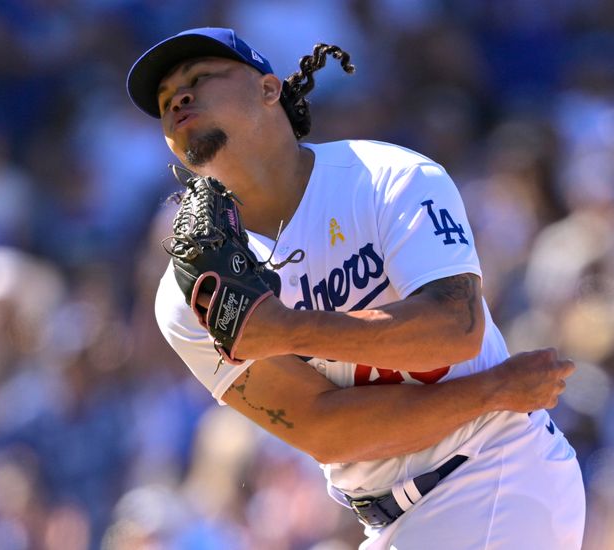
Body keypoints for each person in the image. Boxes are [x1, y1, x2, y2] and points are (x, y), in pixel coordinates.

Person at [127, 27, 585, 549]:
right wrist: (493, 390)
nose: (178, 99)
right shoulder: (192, 293)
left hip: (494, 471)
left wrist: (289, 331)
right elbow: (326, 431)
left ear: (269, 90)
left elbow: (455, 329)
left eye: (200, 78)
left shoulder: (385, 176)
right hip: (395, 517)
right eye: (164, 101)